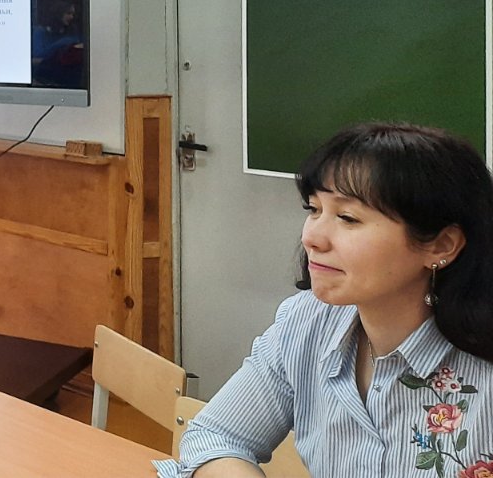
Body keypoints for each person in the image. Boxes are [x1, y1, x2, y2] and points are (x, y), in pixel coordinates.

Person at [162, 123, 493, 477]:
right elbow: (217, 435)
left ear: (441, 246)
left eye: (348, 218)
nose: (312, 237)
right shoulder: (307, 321)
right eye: (314, 209)